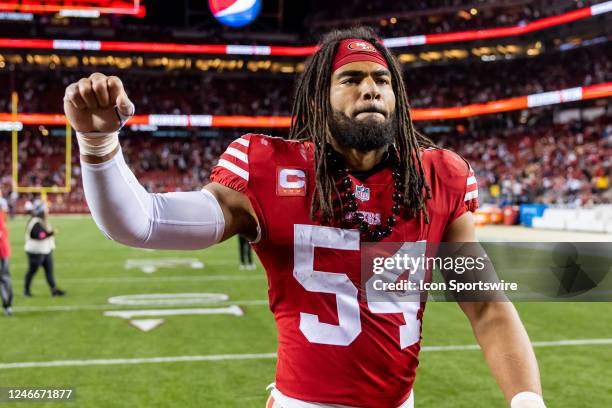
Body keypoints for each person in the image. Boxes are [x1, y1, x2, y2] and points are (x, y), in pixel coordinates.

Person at [64, 27, 545, 408]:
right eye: (351, 80)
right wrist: (98, 144)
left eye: (381, 81)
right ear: (319, 100)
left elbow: (485, 305)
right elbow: (141, 222)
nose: (370, 90)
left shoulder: (438, 176)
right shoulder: (268, 168)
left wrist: (527, 401)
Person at [23, 202, 65, 297]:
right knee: (32, 271)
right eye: (46, 209)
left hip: (46, 250)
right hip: (36, 252)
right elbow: (40, 235)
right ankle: (26, 290)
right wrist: (51, 233)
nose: (47, 211)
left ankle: (54, 290)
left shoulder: (41, 221)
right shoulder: (35, 222)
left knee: (49, 271)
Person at [0, 190, 13, 316]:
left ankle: (7, 305)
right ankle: (7, 305)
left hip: (2, 251)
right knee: (5, 279)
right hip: (3, 250)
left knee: (4, 278)